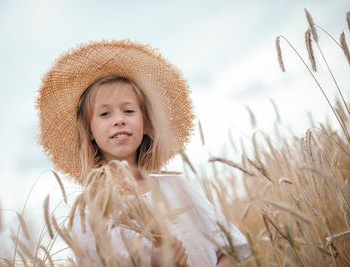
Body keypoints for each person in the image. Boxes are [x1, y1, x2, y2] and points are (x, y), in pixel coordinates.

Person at [36, 40, 250, 266]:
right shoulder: (91, 211)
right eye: (105, 114)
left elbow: (230, 249)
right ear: (89, 132)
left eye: (128, 110)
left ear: (146, 124)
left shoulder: (177, 187)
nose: (119, 120)